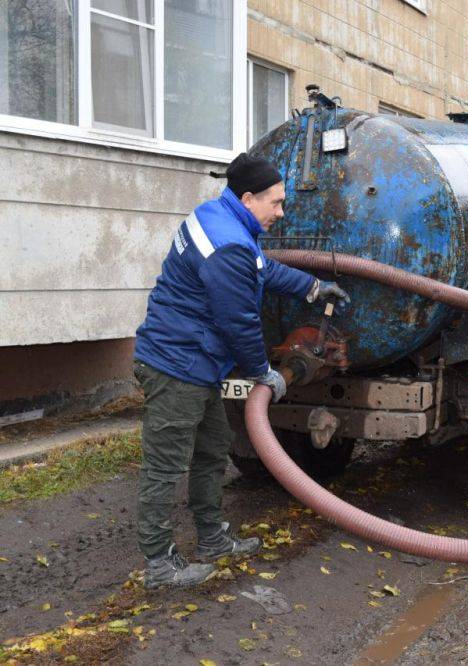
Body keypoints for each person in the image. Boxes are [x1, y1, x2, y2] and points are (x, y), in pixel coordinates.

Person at [133, 153, 348, 589]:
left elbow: (261, 268)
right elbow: (238, 321)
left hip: (196, 363)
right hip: (176, 365)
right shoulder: (228, 244)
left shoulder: (218, 217)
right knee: (165, 466)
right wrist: (261, 372)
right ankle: (158, 564)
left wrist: (311, 287)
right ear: (248, 198)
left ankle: (212, 538)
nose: (281, 212)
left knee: (213, 449)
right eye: (276, 202)